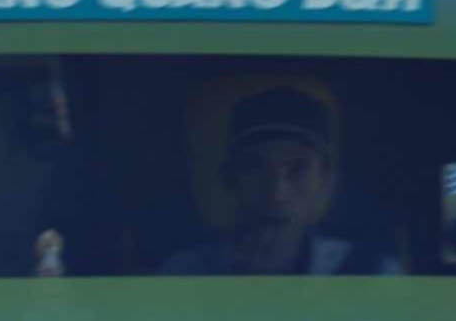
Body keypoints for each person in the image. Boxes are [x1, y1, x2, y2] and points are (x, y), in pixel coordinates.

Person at [160, 85, 403, 278]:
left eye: (298, 167)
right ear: (230, 178)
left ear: (326, 179)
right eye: (255, 166)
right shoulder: (185, 272)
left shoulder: (373, 272)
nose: (276, 190)